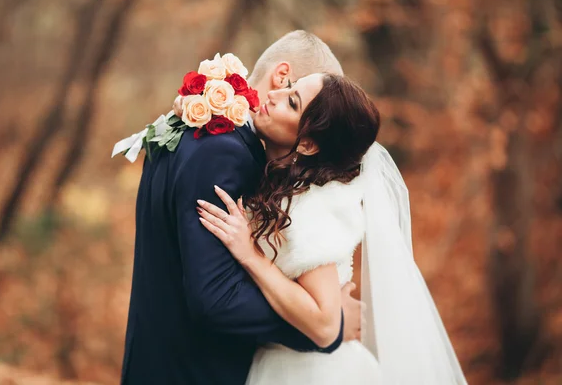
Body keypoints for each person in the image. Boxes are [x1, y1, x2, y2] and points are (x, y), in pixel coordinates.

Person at [120, 31, 364, 385]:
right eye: (296, 95)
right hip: (193, 371)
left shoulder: (194, 129)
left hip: (155, 361)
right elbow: (217, 300)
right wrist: (328, 326)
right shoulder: (224, 150)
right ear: (282, 77)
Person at [197, 73, 468, 384]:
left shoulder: (308, 207)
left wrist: (250, 256)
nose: (274, 95)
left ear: (309, 144)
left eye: (292, 102)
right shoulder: (285, 191)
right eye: (288, 88)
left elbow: (326, 327)